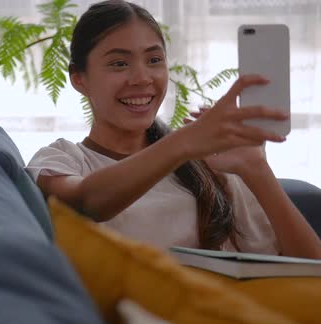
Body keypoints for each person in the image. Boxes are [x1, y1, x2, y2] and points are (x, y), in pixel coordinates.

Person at [26, 0, 321, 259]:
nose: (142, 78)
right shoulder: (62, 159)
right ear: (80, 79)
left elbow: (309, 270)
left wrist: (256, 169)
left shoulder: (211, 161)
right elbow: (86, 203)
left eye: (154, 60)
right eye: (119, 63)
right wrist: (184, 143)